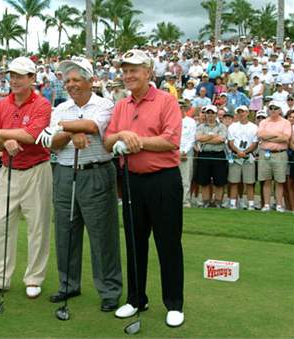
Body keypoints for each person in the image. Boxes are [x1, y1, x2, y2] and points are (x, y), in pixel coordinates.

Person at [104, 49, 185, 327]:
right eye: (125, 71)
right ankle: (136, 299)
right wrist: (122, 136)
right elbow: (107, 140)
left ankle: (174, 303)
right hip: (131, 181)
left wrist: (134, 140)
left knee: (168, 242)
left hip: (163, 180)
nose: (128, 75)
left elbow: (171, 141)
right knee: (134, 242)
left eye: (134, 70)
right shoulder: (122, 105)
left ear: (148, 72)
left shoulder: (166, 101)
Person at [36, 56, 122, 312]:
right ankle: (68, 284)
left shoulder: (104, 104)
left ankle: (109, 290)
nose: (70, 84)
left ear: (90, 81)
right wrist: (73, 131)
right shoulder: (61, 107)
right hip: (64, 173)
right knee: (66, 232)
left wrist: (67, 129)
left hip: (96, 173)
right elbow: (52, 143)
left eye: (76, 79)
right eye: (67, 80)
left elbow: (92, 125)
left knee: (102, 235)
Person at [0, 57, 52, 300]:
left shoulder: (42, 104)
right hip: (8, 170)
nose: (15, 80)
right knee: (1, 225)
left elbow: (31, 136)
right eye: (12, 75)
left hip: (37, 169)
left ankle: (34, 278)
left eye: (21, 76)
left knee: (37, 227)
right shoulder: (1, 105)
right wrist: (4, 140)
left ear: (32, 79)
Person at [257, 101, 292, 212]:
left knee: (279, 181)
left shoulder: (285, 123)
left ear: (280, 110)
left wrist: (268, 138)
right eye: (271, 108)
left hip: (280, 154)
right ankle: (266, 205)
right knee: (266, 180)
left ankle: (279, 205)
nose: (272, 110)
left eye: (275, 108)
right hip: (265, 153)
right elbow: (260, 135)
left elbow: (285, 138)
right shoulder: (264, 122)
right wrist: (276, 135)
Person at [195, 105, 228, 208]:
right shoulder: (200, 126)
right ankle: (206, 201)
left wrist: (206, 139)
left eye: (212, 113)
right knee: (204, 180)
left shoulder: (222, 126)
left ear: (216, 114)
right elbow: (198, 138)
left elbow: (221, 139)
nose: (210, 115)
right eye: (208, 113)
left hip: (218, 154)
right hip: (204, 154)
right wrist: (212, 136)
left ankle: (218, 202)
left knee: (219, 180)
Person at [227, 105, 258, 210]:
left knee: (249, 182)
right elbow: (230, 142)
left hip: (248, 157)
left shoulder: (254, 127)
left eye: (243, 112)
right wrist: (238, 151)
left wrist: (245, 152)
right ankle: (232, 204)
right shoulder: (232, 126)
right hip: (236, 156)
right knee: (234, 182)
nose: (241, 114)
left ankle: (251, 204)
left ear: (247, 113)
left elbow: (254, 143)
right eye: (239, 112)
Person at [178, 99, 197, 207]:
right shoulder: (171, 120)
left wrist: (184, 151)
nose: (179, 109)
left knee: (186, 178)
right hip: (173, 152)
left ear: (184, 108)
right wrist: (177, 151)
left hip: (186, 153)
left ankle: (185, 201)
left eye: (181, 107)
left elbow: (191, 138)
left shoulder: (191, 121)